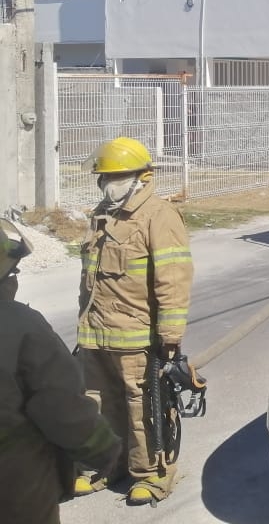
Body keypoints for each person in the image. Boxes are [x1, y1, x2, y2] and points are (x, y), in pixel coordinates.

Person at [75, 137, 193, 506]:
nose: (106, 183)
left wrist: (170, 334)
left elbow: (173, 278)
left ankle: (152, 475)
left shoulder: (159, 216)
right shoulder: (103, 212)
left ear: (141, 177)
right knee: (97, 404)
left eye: (113, 176)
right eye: (103, 177)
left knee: (144, 410)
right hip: (95, 336)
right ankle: (104, 466)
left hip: (136, 338)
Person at [0, 219, 122, 524]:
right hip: (16, 488)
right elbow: (61, 408)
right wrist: (105, 450)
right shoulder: (21, 326)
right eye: (12, 272)